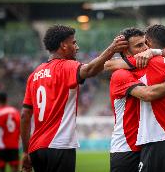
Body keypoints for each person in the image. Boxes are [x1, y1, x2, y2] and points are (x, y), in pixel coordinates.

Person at [21, 24, 128, 172]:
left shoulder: (34, 75)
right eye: (74, 42)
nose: (77, 47)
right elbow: (90, 70)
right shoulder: (66, 66)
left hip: (36, 149)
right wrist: (112, 49)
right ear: (63, 45)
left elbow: (25, 115)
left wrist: (25, 152)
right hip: (59, 145)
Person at [106, 26, 165, 172]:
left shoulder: (150, 62)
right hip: (127, 148)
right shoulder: (121, 74)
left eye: (145, 43)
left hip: (154, 140)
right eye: (140, 45)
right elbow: (147, 94)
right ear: (127, 51)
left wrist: (153, 52)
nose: (145, 48)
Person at [0, 92, 21, 172]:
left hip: (1, 146)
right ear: (6, 99)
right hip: (14, 145)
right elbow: (20, 127)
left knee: (2, 168)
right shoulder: (15, 111)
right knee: (15, 168)